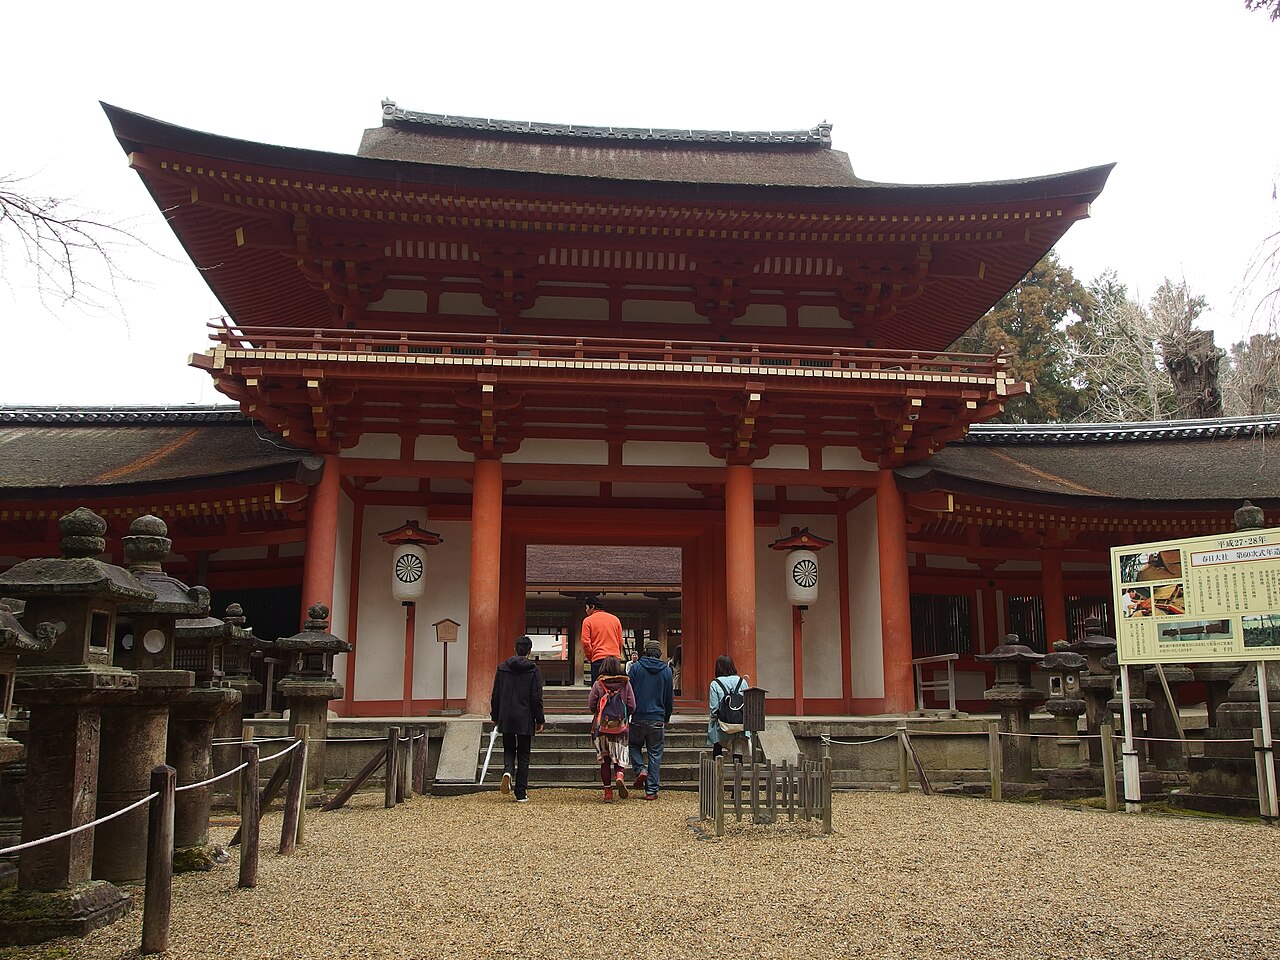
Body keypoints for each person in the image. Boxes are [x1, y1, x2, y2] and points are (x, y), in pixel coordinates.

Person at [489, 635, 545, 803]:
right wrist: (540, 720)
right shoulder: (534, 670)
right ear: (529, 651)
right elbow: (536, 697)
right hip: (525, 715)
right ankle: (521, 792)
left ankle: (507, 771)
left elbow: (496, 694)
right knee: (523, 754)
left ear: (515, 649)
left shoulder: (502, 668)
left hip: (506, 714)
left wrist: (495, 715)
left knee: (508, 748)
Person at [628, 640, 673, 800]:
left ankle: (640, 769)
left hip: (638, 715)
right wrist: (667, 715)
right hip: (658, 716)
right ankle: (651, 790)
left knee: (633, 746)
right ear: (659, 653)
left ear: (645, 651)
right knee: (655, 753)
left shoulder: (636, 668)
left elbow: (629, 693)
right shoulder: (667, 671)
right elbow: (669, 696)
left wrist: (627, 714)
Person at [587, 654, 635, 801]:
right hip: (620, 727)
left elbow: (591, 705)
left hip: (602, 728)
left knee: (605, 760)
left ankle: (608, 792)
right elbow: (632, 705)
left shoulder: (598, 684)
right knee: (620, 756)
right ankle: (620, 775)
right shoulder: (625, 684)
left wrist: (599, 712)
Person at [707, 654, 751, 764]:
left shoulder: (715, 684)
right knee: (738, 746)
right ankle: (738, 772)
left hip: (723, 723)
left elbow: (714, 709)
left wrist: (713, 720)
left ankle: (718, 770)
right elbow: (747, 702)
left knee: (717, 742)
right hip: (739, 722)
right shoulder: (742, 682)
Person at [581, 596, 623, 683]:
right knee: (615, 687)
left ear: (592, 606)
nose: (586, 611)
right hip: (614, 659)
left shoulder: (588, 621)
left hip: (598, 658)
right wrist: (618, 655)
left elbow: (586, 643)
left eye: (586, 608)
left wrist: (591, 657)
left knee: (599, 689)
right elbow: (620, 641)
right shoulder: (615, 619)